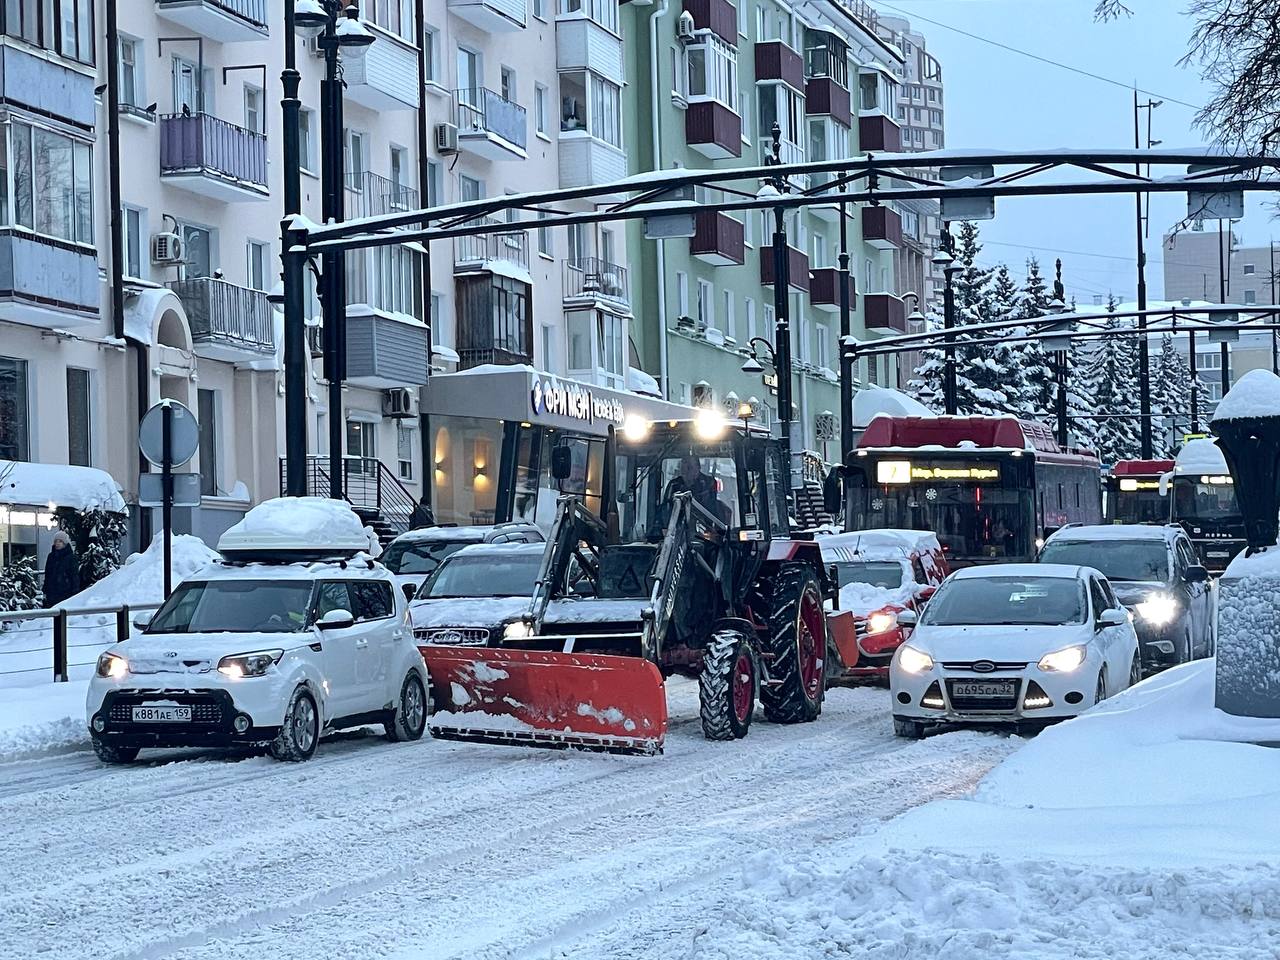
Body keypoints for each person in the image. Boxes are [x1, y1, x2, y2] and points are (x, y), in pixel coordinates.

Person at [43, 531, 81, 608]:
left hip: (65, 591)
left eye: (60, 541)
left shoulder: (71, 557)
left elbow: (74, 575)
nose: (57, 543)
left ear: (65, 543)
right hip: (52, 592)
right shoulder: (51, 556)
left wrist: (75, 591)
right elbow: (47, 574)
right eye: (56, 541)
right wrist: (45, 589)